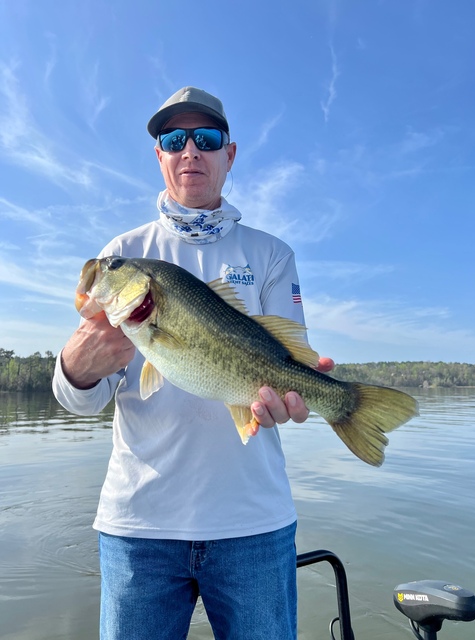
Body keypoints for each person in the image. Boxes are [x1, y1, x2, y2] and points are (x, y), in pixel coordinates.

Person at [52, 86, 334, 640]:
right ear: (158, 155)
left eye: (206, 139)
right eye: (173, 139)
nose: (190, 151)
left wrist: (297, 395)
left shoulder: (271, 254)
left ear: (229, 154)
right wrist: (75, 368)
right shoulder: (126, 251)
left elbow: (291, 359)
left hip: (253, 522)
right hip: (139, 526)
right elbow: (78, 400)